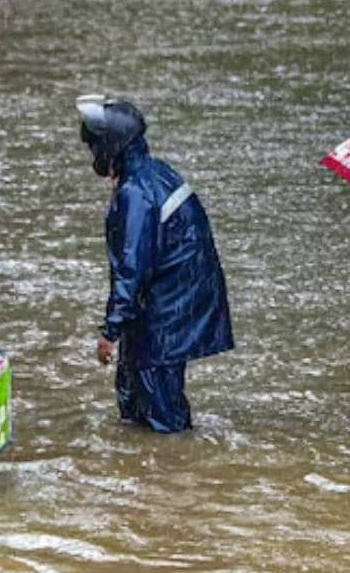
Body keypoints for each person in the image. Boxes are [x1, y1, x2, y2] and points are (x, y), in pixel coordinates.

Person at [76, 96, 233, 432]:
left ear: (110, 147)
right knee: (133, 397)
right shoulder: (155, 173)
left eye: (95, 147)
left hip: (166, 316)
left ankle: (173, 470)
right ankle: (146, 470)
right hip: (169, 305)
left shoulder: (136, 193)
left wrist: (110, 331)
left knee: (162, 412)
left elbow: (131, 269)